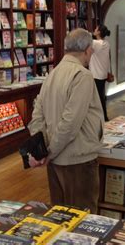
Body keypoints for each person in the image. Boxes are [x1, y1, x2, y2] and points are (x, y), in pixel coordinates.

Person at [27, 29, 104, 213]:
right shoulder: (82, 75)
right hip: (78, 159)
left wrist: (42, 149)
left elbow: (37, 115)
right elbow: (70, 123)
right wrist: (50, 152)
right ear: (87, 50)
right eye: (91, 51)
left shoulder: (52, 74)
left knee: (60, 216)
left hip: (55, 161)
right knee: (83, 218)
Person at [89, 25, 111, 121]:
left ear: (98, 32)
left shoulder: (97, 43)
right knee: (101, 96)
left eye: (95, 29)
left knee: (97, 98)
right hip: (102, 73)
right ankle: (104, 116)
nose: (94, 30)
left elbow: (85, 40)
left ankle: (101, 118)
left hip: (96, 74)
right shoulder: (106, 43)